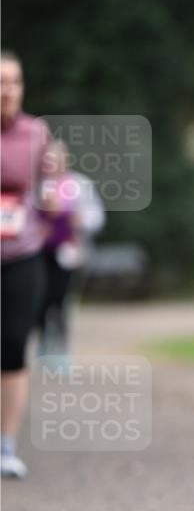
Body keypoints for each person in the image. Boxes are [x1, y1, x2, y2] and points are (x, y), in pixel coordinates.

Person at [1, 51, 54, 479]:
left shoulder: (36, 133)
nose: (8, 90)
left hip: (22, 255)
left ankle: (7, 446)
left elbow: (50, 194)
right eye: (1, 82)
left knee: (15, 345)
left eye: (15, 81)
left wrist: (53, 196)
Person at [37, 138, 106, 360]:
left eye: (56, 158)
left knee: (62, 302)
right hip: (38, 253)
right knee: (39, 300)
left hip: (68, 253)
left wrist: (80, 220)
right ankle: (43, 344)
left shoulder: (78, 185)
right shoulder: (36, 185)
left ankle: (62, 350)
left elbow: (97, 217)